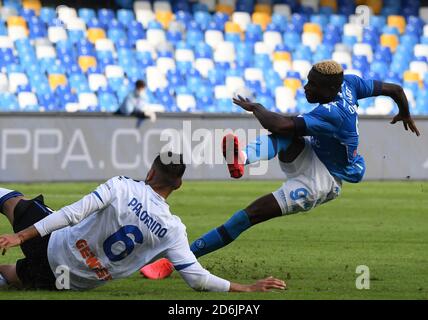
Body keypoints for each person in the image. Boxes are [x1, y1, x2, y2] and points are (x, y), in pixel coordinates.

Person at [140, 60, 420, 279]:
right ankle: (241, 159)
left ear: (330, 90)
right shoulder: (350, 83)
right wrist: (404, 111)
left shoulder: (334, 113)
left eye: (312, 86)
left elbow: (278, 125)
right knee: (289, 137)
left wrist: (257, 108)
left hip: (322, 181)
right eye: (308, 81)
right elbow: (395, 89)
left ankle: (175, 262)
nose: (305, 87)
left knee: (248, 215)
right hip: (315, 152)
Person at [0, 152, 285, 292]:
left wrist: (20, 237)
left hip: (51, 246)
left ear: (150, 173)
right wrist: (247, 288)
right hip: (68, 281)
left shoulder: (121, 186)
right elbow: (198, 279)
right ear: (179, 185)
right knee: (12, 274)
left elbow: (73, 213)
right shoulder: (173, 230)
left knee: (13, 201)